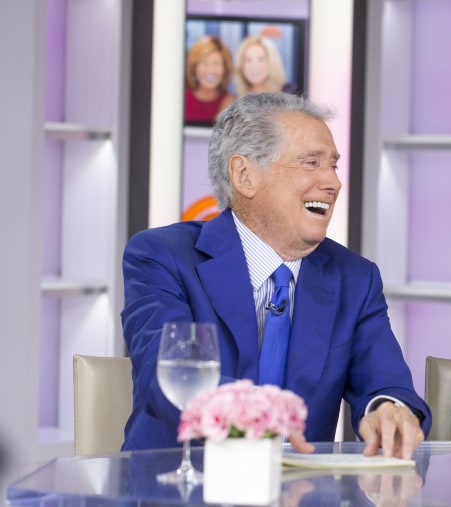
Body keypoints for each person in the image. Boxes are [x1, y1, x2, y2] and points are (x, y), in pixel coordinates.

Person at [121, 92, 431, 459]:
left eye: (333, 165)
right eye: (311, 163)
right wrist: (262, 416)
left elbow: (386, 382)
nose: (332, 182)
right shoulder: (163, 257)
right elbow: (168, 379)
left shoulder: (355, 278)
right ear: (245, 175)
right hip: (178, 485)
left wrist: (389, 409)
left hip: (301, 493)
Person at [184, 35, 236, 124]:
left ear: (224, 69)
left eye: (216, 63)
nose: (210, 70)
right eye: (205, 63)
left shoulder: (231, 104)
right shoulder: (182, 98)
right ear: (194, 67)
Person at [233, 34, 298, 97]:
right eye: (248, 60)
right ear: (241, 66)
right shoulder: (238, 100)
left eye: (260, 59)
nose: (254, 66)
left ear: (271, 62)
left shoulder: (289, 94)